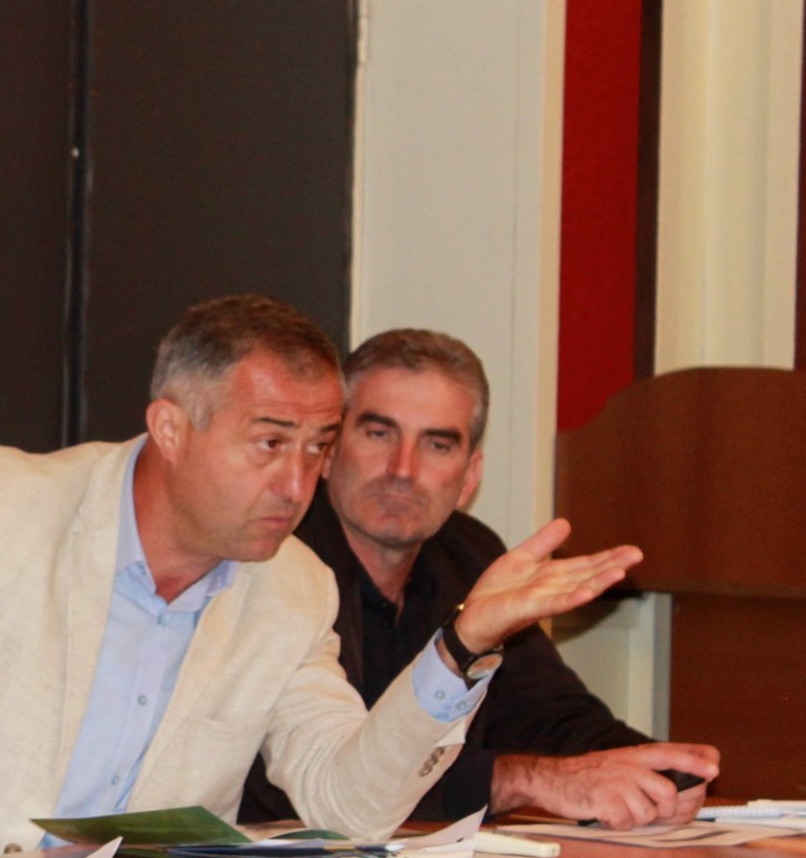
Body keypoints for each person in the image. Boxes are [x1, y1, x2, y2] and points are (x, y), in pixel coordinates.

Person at [0, 295, 645, 858]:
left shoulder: (292, 586)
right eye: (269, 442)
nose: (297, 484)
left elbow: (349, 802)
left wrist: (461, 645)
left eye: (318, 447)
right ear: (169, 427)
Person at [241, 328, 718, 830]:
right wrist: (533, 781)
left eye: (437, 444)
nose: (403, 469)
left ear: (470, 476)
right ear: (329, 451)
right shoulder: (273, 562)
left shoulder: (468, 555)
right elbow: (305, 787)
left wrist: (652, 769)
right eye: (379, 434)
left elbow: (549, 717)